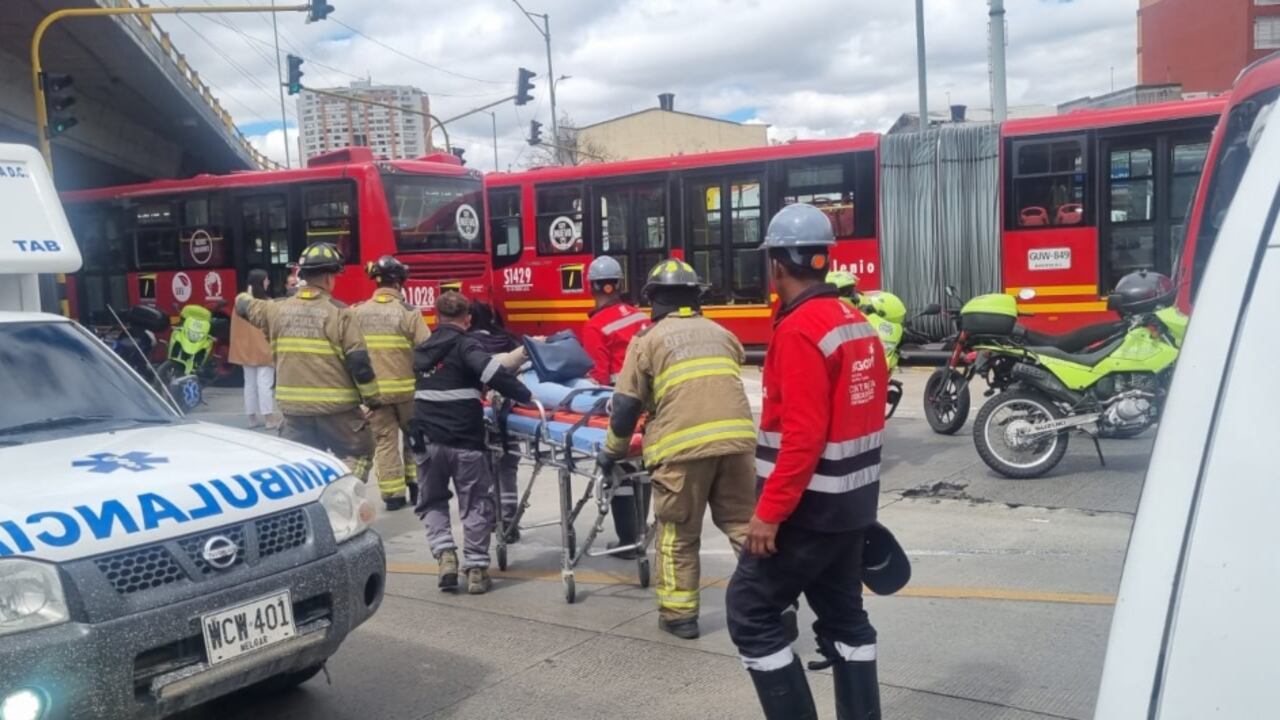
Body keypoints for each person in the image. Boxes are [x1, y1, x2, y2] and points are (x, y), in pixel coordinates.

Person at [726, 203, 888, 719]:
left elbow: (801, 437)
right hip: (851, 508)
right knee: (845, 619)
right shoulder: (854, 321)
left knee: (750, 612)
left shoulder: (799, 331)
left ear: (776, 264)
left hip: (807, 510)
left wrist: (769, 513)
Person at [597, 258, 757, 640]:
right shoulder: (723, 333)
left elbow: (624, 409)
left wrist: (612, 451)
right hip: (737, 445)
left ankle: (679, 615)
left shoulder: (646, 341)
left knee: (678, 535)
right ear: (695, 296)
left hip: (681, 451)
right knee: (744, 527)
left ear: (654, 299)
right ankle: (776, 602)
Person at [412, 291, 532, 595]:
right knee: (475, 502)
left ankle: (445, 556)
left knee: (432, 501)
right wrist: (527, 397)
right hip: (465, 439)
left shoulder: (422, 349)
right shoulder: (467, 345)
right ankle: (477, 569)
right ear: (466, 319)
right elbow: (495, 374)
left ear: (436, 318)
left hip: (426, 440)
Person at [236, 242, 378, 480]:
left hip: (294, 412)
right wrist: (373, 400)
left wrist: (248, 290)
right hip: (338, 411)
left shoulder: (275, 310)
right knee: (360, 454)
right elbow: (360, 364)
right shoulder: (341, 313)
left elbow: (242, 304)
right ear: (330, 277)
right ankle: (345, 498)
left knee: (304, 468)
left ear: (302, 275)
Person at [580, 255, 651, 559]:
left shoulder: (596, 325)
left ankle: (627, 539)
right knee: (643, 468)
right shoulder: (641, 316)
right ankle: (640, 531)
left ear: (592, 286)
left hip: (622, 405)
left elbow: (596, 378)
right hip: (651, 404)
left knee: (621, 468)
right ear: (619, 285)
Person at [354, 256, 431, 512]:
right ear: (399, 284)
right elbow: (426, 347)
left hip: (375, 393)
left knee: (385, 442)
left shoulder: (358, 312)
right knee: (414, 436)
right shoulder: (409, 312)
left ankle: (392, 496)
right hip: (407, 391)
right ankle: (416, 487)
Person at [467, 300, 528, 539]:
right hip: (510, 416)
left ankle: (494, 518)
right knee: (508, 468)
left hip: (482, 418)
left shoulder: (468, 346)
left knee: (486, 469)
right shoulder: (510, 340)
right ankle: (510, 521)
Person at [228, 269, 278, 430]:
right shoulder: (267, 304)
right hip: (263, 350)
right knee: (264, 384)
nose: (268, 282)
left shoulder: (240, 304)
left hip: (244, 350)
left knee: (249, 384)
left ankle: (252, 418)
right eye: (266, 280)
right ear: (261, 282)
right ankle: (269, 418)